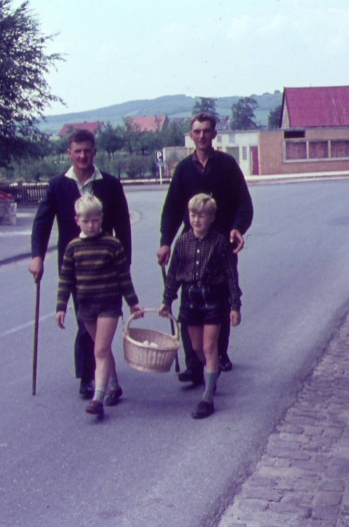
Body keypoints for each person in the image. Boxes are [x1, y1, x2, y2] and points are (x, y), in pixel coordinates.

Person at [30, 129, 133, 399]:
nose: (83, 156)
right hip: (74, 264)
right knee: (85, 318)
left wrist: (125, 265)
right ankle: (88, 376)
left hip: (105, 263)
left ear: (94, 152)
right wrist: (37, 256)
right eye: (77, 151)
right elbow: (42, 222)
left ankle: (99, 376)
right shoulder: (57, 185)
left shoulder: (110, 184)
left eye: (87, 150)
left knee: (103, 319)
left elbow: (123, 226)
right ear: (69, 153)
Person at [156, 112, 253, 385]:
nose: (201, 136)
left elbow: (244, 204)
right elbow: (172, 209)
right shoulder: (184, 170)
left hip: (221, 244)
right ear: (191, 135)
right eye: (196, 131)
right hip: (191, 246)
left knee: (219, 303)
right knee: (190, 305)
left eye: (206, 131)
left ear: (214, 135)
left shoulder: (227, 166)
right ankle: (194, 365)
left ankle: (219, 354)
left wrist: (238, 228)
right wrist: (166, 241)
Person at [56, 194, 144, 418]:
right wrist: (60, 307)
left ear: (102, 218)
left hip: (108, 304)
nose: (91, 225)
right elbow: (66, 279)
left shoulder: (112, 244)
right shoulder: (73, 248)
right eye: (86, 221)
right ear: (77, 221)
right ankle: (114, 385)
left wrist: (133, 302)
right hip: (86, 306)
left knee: (100, 350)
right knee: (101, 349)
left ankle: (98, 398)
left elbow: (124, 277)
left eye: (95, 220)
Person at [159, 193, 241, 419]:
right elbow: (174, 274)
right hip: (190, 300)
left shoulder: (220, 242)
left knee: (209, 347)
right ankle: (210, 373)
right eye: (193, 215)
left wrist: (235, 305)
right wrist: (167, 300)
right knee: (196, 347)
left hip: (214, 300)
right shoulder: (182, 241)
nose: (196, 220)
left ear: (211, 218)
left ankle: (207, 398)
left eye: (202, 216)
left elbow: (231, 276)